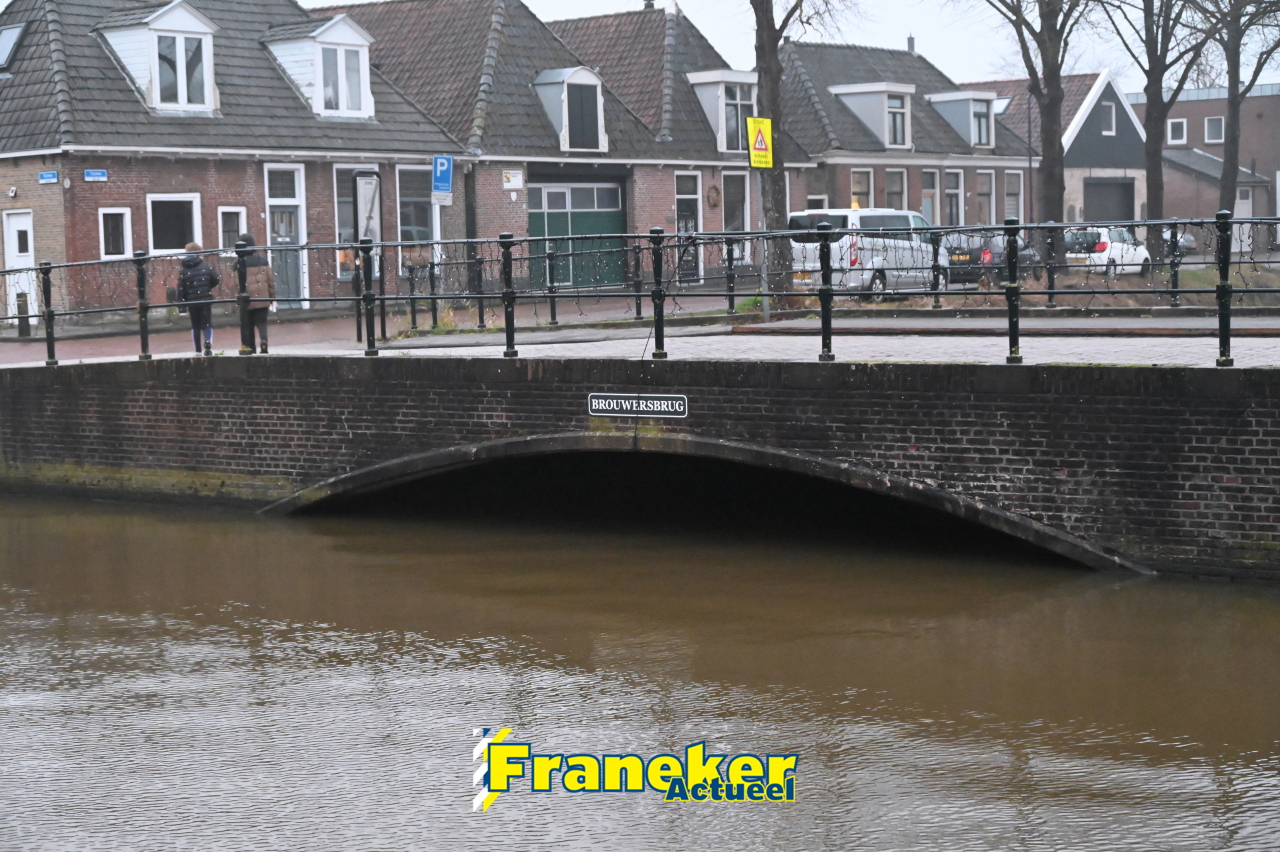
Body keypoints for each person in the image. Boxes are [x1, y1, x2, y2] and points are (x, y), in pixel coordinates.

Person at [235, 233, 277, 354]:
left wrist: (236, 302)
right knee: (262, 323)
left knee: (248, 325)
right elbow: (270, 281)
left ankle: (251, 348)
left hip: (247, 300)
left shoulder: (238, 263)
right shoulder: (263, 261)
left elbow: (236, 284)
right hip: (263, 298)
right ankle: (264, 341)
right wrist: (272, 297)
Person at [178, 242, 220, 356]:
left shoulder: (184, 269)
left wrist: (182, 305)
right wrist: (207, 287)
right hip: (205, 299)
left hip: (192, 300)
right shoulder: (206, 266)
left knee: (195, 325)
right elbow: (216, 278)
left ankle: (197, 350)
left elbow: (181, 288)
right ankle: (208, 344)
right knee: (207, 324)